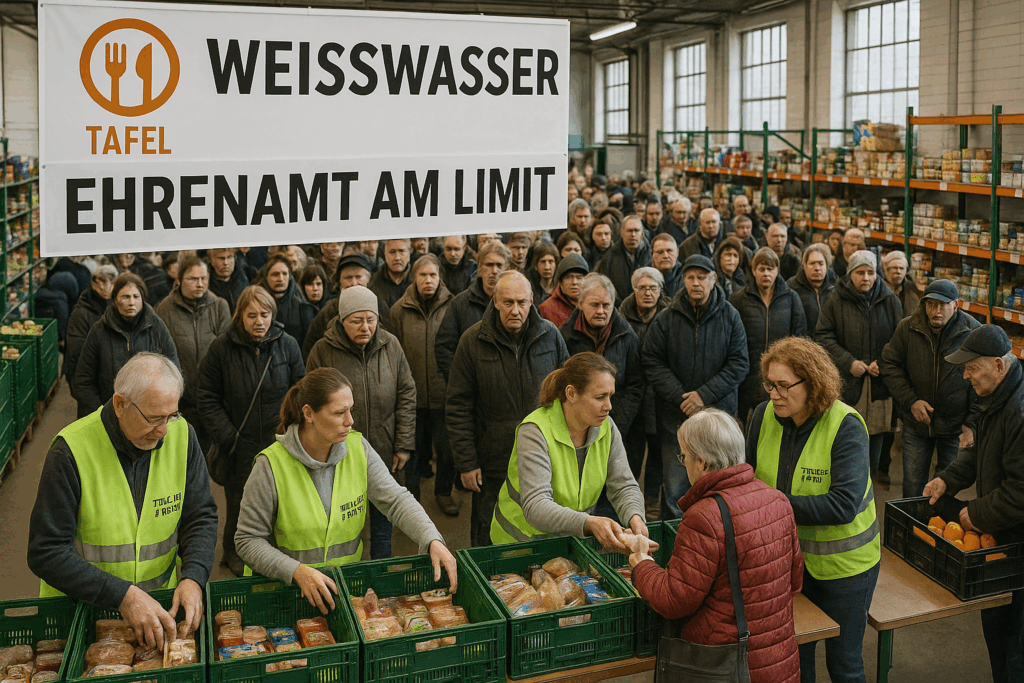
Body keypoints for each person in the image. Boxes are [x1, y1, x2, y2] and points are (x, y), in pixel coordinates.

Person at [29, 354, 218, 649]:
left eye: (172, 416)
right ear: (120, 404)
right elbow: (46, 551)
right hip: (81, 618)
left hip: (157, 616)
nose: (164, 430)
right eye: (154, 418)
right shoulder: (70, 451)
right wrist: (122, 596)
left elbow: (200, 515)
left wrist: (194, 576)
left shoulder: (183, 436)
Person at [234, 368, 457, 608]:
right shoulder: (269, 466)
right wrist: (296, 571)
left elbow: (395, 500)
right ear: (308, 413)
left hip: (344, 591)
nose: (350, 421)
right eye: (340, 412)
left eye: (351, 410)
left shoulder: (358, 448)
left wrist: (432, 538)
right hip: (283, 594)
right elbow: (248, 540)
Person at [630, 409, 802, 683]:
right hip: (778, 663)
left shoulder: (705, 517)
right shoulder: (777, 500)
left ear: (702, 462)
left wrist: (642, 565)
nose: (683, 463)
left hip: (726, 666)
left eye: (684, 456)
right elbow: (794, 581)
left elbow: (674, 600)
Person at [746, 336, 878, 683]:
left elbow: (844, 505)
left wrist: (771, 504)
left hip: (845, 571)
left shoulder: (845, 426)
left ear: (813, 384)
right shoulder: (763, 416)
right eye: (769, 384)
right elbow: (747, 478)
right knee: (796, 660)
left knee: (845, 665)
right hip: (789, 566)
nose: (773, 394)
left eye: (783, 386)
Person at [923, 325, 1024, 682]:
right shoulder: (996, 398)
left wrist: (975, 514)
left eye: (971, 368)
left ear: (998, 365)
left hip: (1018, 544)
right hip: (1001, 537)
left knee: (1014, 643)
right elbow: (979, 450)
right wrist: (947, 478)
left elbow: (1019, 493)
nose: (965, 377)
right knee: (996, 628)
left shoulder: (1019, 411)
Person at [446, 271, 570, 546]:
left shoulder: (550, 336)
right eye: (508, 302)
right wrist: (467, 463)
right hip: (493, 460)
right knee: (487, 532)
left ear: (532, 302)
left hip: (544, 455)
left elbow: (567, 395)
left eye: (522, 303)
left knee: (539, 530)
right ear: (495, 302)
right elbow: (458, 406)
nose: (516, 310)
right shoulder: (472, 341)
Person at [198, 285, 305, 576]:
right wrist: (228, 437)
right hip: (238, 445)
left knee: (279, 500)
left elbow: (300, 391)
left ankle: (273, 553)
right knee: (239, 502)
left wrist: (291, 434)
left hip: (278, 443)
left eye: (265, 314)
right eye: (252, 315)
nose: (259, 321)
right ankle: (233, 552)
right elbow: (206, 394)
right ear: (239, 316)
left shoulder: (288, 345)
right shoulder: (221, 348)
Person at [490, 352, 647, 546]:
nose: (609, 406)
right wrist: (588, 522)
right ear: (571, 393)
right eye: (600, 397)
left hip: (569, 541)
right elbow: (536, 506)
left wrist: (636, 517)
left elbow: (623, 485)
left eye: (610, 396)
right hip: (519, 544)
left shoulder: (607, 427)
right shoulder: (534, 431)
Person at [307, 286, 417, 559]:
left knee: (382, 525)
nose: (365, 327)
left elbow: (406, 392)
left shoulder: (391, 345)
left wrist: (403, 443)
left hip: (383, 447)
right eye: (356, 320)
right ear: (342, 320)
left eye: (371, 319)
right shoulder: (322, 351)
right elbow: (310, 403)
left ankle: (380, 582)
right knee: (342, 523)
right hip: (337, 453)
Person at [642, 255, 749, 519]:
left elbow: (739, 363)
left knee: (720, 487)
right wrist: (682, 398)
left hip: (718, 421)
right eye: (690, 277)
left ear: (713, 279)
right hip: (676, 420)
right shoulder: (667, 318)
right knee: (676, 489)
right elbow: (651, 360)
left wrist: (704, 395)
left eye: (702, 277)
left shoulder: (730, 316)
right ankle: (676, 545)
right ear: (683, 280)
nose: (696, 282)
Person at [881, 279, 980, 497]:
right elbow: (889, 364)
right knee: (913, 488)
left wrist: (970, 423)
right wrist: (911, 401)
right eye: (930, 304)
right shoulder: (907, 328)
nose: (935, 311)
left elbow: (981, 380)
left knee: (944, 490)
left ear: (955, 304)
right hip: (917, 425)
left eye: (942, 305)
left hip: (955, 427)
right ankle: (910, 530)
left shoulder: (972, 332)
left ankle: (935, 529)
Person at [815, 250, 902, 476]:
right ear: (850, 274)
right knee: (845, 436)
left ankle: (868, 484)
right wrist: (849, 362)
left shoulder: (890, 300)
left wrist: (882, 362)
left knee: (875, 438)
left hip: (879, 384)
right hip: (848, 383)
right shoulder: (836, 299)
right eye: (860, 272)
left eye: (871, 272)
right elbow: (823, 335)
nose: (866, 278)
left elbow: (900, 339)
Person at [389, 255, 459, 516]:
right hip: (412, 397)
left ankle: (443, 493)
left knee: (446, 450)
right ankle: (413, 500)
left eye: (432, 275)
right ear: (413, 278)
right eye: (422, 275)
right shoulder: (399, 310)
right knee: (413, 452)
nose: (428, 280)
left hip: (444, 395)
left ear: (440, 277)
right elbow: (392, 355)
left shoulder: (453, 306)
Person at [559, 275, 645, 487]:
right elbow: (563, 385)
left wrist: (616, 422)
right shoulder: (565, 336)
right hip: (578, 429)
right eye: (594, 305)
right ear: (580, 304)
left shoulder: (627, 336)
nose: (601, 311)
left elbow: (636, 383)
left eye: (606, 305)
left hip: (621, 427)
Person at [73, 273, 180, 417]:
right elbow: (83, 380)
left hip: (149, 416)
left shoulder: (157, 328)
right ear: (115, 300)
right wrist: (102, 414)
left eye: (136, 297)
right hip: (109, 416)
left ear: (143, 299)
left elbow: (173, 373)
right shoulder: (99, 331)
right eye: (125, 297)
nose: (131, 302)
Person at [155, 256, 232, 446]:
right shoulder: (164, 309)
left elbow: (228, 353)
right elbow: (159, 354)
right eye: (193, 279)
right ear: (179, 280)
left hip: (214, 398)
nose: (200, 284)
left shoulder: (219, 306)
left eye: (204, 278)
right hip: (180, 399)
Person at [730, 248, 807, 424]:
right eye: (761, 268)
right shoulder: (738, 299)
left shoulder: (791, 298)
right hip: (747, 378)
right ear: (753, 271)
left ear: (777, 271)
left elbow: (800, 339)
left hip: (782, 377)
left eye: (770, 269)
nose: (766, 273)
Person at [435, 240, 511, 380]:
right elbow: (444, 348)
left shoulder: (516, 304)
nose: (494, 271)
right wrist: (460, 381)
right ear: (480, 268)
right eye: (489, 265)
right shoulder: (460, 304)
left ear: (507, 268)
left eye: (499, 265)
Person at [301, 253, 391, 361]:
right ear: (339, 282)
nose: (353, 283)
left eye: (358, 277)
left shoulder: (381, 307)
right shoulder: (327, 313)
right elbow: (309, 350)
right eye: (348, 277)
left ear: (369, 279)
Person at [64, 265, 116, 412]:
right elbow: (75, 352)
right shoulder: (81, 313)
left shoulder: (117, 307)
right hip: (91, 385)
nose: (106, 288)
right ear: (93, 284)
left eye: (111, 283)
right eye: (102, 283)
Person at [597, 215, 652, 306]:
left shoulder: (652, 255)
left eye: (636, 230)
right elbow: (605, 288)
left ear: (642, 233)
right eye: (629, 231)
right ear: (622, 232)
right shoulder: (609, 258)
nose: (633, 235)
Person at [787, 243, 837, 332]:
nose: (817, 268)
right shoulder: (791, 287)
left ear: (827, 266)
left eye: (821, 264)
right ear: (804, 265)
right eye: (812, 263)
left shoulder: (835, 288)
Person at [538, 254, 589, 328]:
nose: (574, 282)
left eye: (579, 277)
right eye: (568, 277)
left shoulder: (594, 304)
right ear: (560, 283)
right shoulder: (546, 309)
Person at [368, 239, 413, 311]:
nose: (397, 258)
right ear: (385, 253)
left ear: (409, 252)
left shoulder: (417, 280)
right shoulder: (374, 282)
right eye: (392, 252)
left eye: (401, 251)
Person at [881, 250, 922, 315]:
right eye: (895, 268)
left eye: (902, 268)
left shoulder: (911, 289)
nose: (898, 272)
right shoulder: (878, 288)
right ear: (886, 270)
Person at [650, 233, 682, 299]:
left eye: (669, 251)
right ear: (652, 254)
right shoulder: (643, 275)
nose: (665, 256)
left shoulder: (686, 276)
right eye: (660, 252)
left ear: (677, 253)